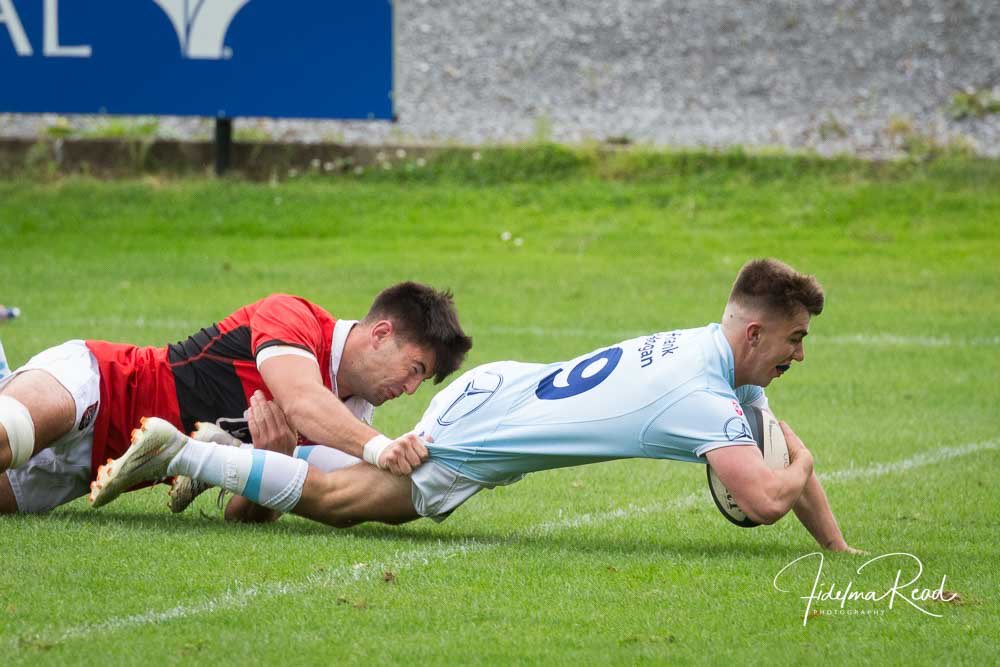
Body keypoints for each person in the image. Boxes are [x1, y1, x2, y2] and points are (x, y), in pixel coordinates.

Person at [90, 259, 858, 552]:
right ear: (755, 330)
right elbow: (761, 496)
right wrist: (804, 462)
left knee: (346, 496)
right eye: (794, 338)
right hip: (493, 424)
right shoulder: (701, 392)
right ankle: (185, 450)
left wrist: (836, 549)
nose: (798, 353)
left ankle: (218, 455)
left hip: (500, 390)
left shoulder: (716, 351)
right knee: (343, 503)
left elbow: (767, 432)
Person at [0, 282, 473, 515]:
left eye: (421, 381)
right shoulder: (295, 317)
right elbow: (302, 400)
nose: (410, 389)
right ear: (381, 334)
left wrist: (275, 464)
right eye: (414, 370)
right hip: (98, 383)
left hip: (88, 468)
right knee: (9, 436)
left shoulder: (350, 417)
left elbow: (240, 516)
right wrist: (379, 447)